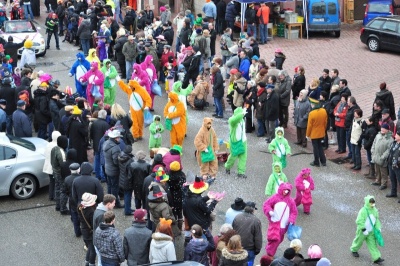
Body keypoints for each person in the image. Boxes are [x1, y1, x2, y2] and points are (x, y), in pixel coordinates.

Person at [263, 183, 298, 258]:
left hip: (284, 225)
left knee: (278, 239)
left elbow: (294, 212)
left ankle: (269, 248)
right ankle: (270, 253)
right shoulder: (275, 198)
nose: (285, 192)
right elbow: (266, 204)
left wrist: (291, 220)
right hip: (275, 223)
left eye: (287, 191)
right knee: (276, 239)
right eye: (284, 190)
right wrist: (270, 211)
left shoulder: (290, 201)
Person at [350, 195, 384, 265]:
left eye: (373, 202)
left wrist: (378, 228)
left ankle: (376, 258)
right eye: (371, 202)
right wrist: (363, 229)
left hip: (371, 232)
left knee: (373, 245)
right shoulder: (363, 211)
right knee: (358, 241)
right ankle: (354, 249)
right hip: (363, 231)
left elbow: (377, 220)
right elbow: (359, 221)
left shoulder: (375, 210)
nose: (372, 204)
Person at [232, 202, 262, 266]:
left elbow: (233, 231)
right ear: (253, 210)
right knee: (249, 263)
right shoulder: (256, 221)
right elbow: (258, 238)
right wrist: (257, 249)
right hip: (249, 249)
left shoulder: (237, 217)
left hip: (237, 246)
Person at [225, 107, 248, 179]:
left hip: (243, 141)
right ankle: (227, 166)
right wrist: (241, 114)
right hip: (235, 142)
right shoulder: (232, 121)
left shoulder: (242, 120)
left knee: (243, 157)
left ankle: (241, 172)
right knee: (233, 156)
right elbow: (235, 119)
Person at [103, 129, 124, 208]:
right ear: (115, 138)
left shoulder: (106, 143)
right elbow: (116, 161)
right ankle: (116, 203)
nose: (119, 139)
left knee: (110, 186)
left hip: (107, 168)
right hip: (114, 171)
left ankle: (108, 200)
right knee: (115, 187)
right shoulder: (115, 148)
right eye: (118, 137)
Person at [194, 117, 218, 181]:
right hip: (204, 151)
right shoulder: (201, 131)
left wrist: (215, 147)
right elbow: (197, 141)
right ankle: (204, 174)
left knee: (213, 162)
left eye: (210, 124)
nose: (209, 125)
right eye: (208, 123)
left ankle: (212, 175)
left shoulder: (211, 130)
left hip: (211, 149)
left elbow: (215, 138)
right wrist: (203, 148)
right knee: (204, 163)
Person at [371, 123, 393, 190]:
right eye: (382, 128)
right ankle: (378, 181)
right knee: (377, 170)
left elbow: (389, 150)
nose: (382, 130)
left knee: (383, 172)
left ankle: (384, 184)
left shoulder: (390, 139)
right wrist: (372, 150)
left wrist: (383, 157)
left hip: (382, 158)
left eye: (384, 129)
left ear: (387, 130)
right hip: (376, 156)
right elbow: (374, 143)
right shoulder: (378, 135)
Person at [307, 97, 328, 167]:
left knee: (315, 148)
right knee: (320, 147)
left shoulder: (311, 113)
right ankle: (323, 161)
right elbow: (325, 122)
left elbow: (309, 126)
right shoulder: (323, 111)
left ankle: (316, 161)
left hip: (314, 134)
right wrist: (323, 129)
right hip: (321, 132)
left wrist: (307, 135)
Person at [77, 192, 98, 266]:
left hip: (84, 229)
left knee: (89, 247)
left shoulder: (80, 207)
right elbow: (93, 224)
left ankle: (87, 262)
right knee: (93, 250)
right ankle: (91, 263)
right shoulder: (91, 211)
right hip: (90, 232)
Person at [50, 135, 68, 214]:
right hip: (60, 173)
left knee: (57, 189)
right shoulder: (61, 153)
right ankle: (63, 208)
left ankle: (58, 206)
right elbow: (63, 165)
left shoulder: (54, 149)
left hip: (55, 171)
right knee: (63, 191)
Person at [64, 162, 81, 236]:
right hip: (80, 200)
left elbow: (65, 191)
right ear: (78, 170)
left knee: (74, 215)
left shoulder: (67, 179)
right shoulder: (80, 178)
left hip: (72, 200)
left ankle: (77, 232)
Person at [387, 131, 400, 200]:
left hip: (398, 166)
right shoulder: (394, 143)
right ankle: (393, 192)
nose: (395, 136)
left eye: (397, 135)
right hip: (391, 164)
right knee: (392, 179)